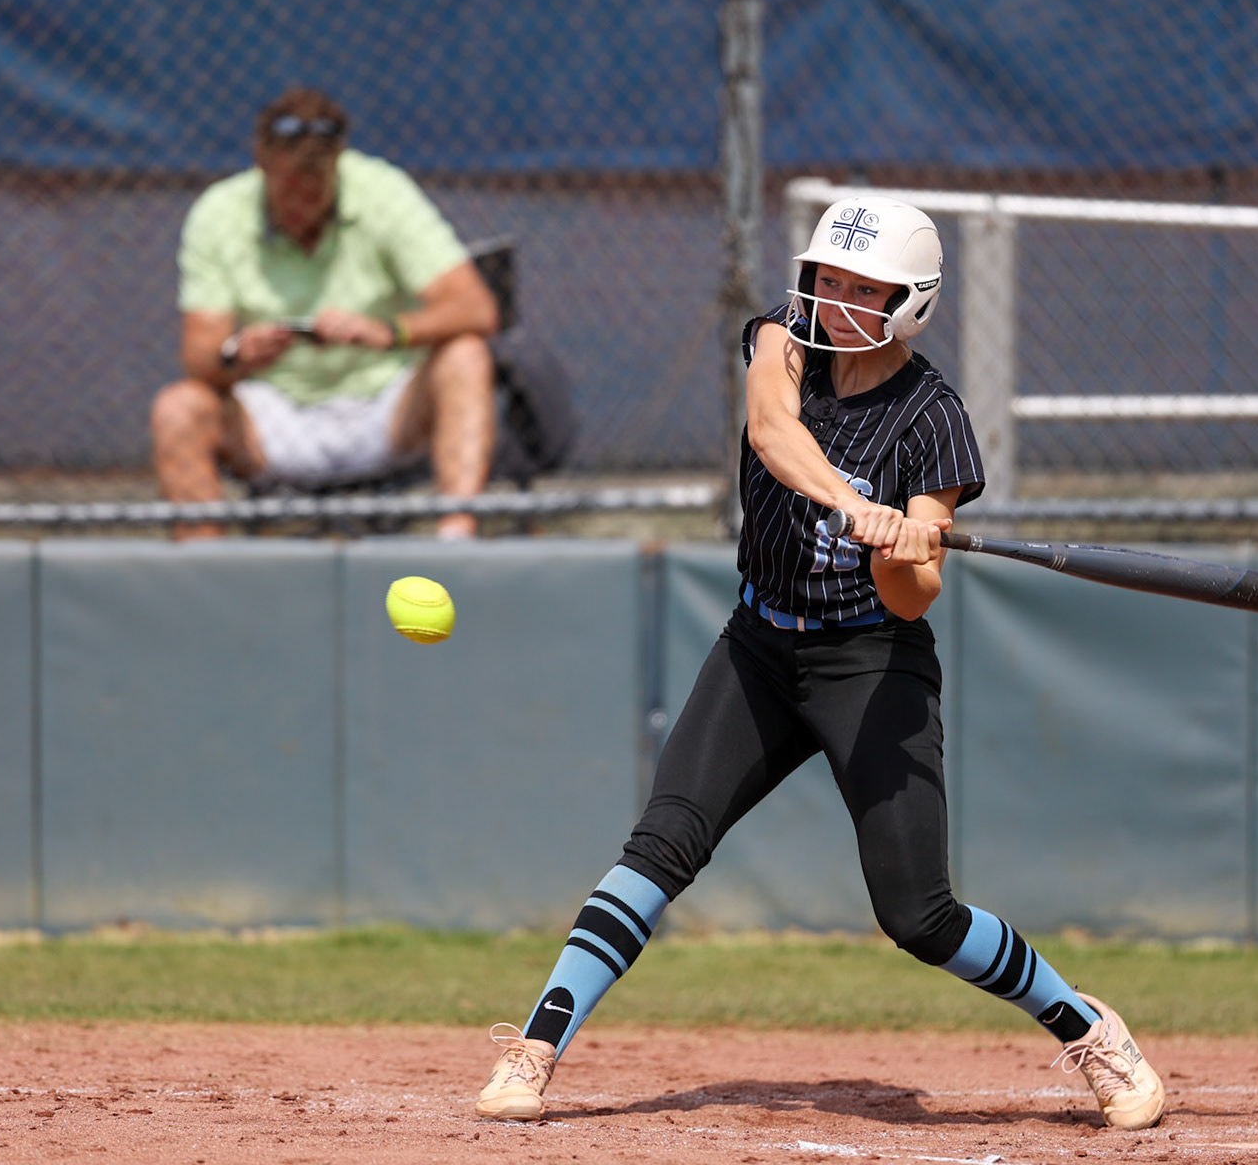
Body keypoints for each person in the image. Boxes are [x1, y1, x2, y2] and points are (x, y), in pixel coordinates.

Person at [471, 197, 1167, 1132]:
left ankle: (1086, 1025)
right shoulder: (779, 338)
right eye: (826, 279)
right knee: (660, 845)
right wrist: (849, 499)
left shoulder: (935, 421)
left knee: (920, 917)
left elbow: (913, 599)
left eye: (859, 288)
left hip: (870, 665)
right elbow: (771, 431)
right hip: (759, 647)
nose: (833, 300)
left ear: (909, 301)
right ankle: (536, 1049)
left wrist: (904, 543)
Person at [149, 87, 499, 540]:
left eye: (317, 184)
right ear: (262, 162)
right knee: (177, 407)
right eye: (291, 183)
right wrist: (238, 353)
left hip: (385, 410)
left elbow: (476, 307)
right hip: (273, 418)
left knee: (466, 356)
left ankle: (455, 544)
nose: (303, 198)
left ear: (339, 165)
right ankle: (206, 577)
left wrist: (387, 332)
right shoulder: (217, 214)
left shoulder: (384, 191)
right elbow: (198, 354)